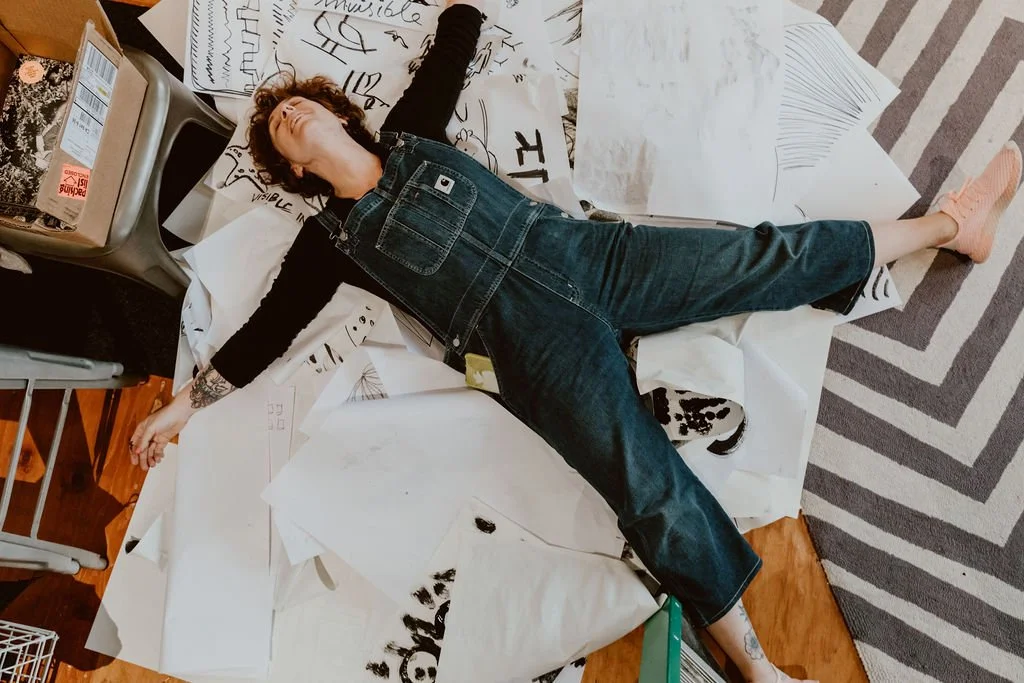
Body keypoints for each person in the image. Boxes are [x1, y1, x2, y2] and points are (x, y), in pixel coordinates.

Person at [130, 1, 1023, 681]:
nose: (290, 117)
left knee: (756, 257)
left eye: (299, 106)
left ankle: (949, 227)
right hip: (525, 345)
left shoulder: (412, 133)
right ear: (293, 169)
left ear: (337, 113)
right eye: (281, 128)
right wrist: (181, 405)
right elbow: (263, 336)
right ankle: (757, 661)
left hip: (590, 257)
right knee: (643, 484)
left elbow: (457, 32)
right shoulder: (329, 242)